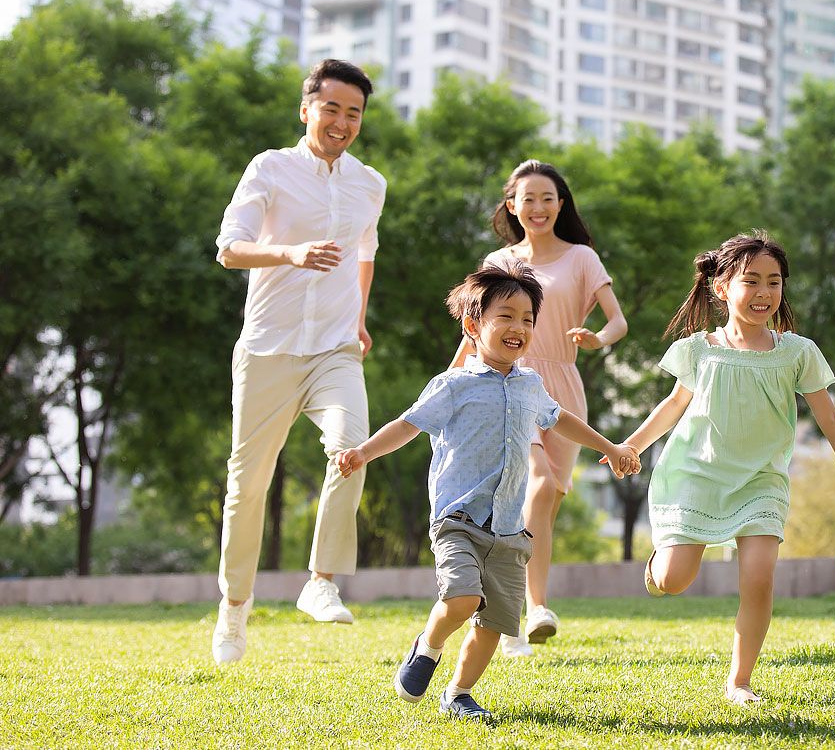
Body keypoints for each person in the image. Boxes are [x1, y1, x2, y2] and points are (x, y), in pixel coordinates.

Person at [335, 262, 640, 720]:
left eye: (527, 319)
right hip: (458, 518)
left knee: (495, 623)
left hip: (509, 527)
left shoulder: (531, 384)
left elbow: (561, 419)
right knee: (461, 598)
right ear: (473, 325)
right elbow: (408, 425)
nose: (519, 327)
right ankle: (429, 645)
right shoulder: (452, 386)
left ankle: (458, 693)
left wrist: (611, 446)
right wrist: (363, 452)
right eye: (506, 316)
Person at [619, 231, 835, 705]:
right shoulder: (699, 349)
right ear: (722, 288)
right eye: (751, 281)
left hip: (761, 480)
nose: (764, 293)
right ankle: (659, 564)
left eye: (774, 282)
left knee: (758, 577)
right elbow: (673, 406)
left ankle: (739, 680)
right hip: (698, 474)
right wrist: (627, 446)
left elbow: (829, 417)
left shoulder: (797, 352)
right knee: (675, 581)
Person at [211, 59, 386, 664]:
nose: (342, 121)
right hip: (268, 348)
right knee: (247, 486)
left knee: (353, 448)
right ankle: (234, 612)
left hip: (334, 349)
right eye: (332, 108)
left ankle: (320, 581)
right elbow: (229, 250)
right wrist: (290, 252)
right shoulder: (271, 168)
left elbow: (365, 252)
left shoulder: (370, 184)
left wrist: (359, 319)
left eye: (354, 113)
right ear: (306, 108)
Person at [450, 160, 627, 657]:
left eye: (548, 198)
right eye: (528, 198)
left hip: (565, 384)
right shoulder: (499, 260)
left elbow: (618, 322)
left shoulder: (582, 258)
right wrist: (448, 385)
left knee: (541, 502)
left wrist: (598, 338)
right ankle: (532, 608)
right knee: (538, 482)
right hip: (510, 381)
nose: (539, 207)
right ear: (512, 206)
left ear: (561, 204)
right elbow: (475, 329)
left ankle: (518, 616)